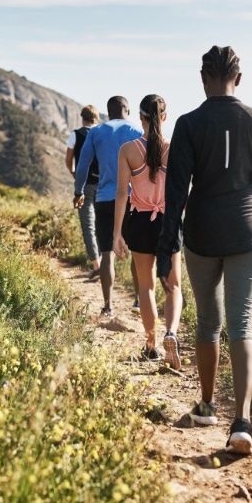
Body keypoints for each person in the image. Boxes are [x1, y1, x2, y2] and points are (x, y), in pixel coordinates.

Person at [155, 46, 252, 455]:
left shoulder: (189, 124)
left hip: (202, 233)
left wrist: (165, 248)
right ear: (238, 79)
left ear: (203, 78)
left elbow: (176, 193)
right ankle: (241, 423)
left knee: (209, 321)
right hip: (247, 230)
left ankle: (207, 407)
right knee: (242, 323)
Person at [113, 95, 183, 367]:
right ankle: (171, 334)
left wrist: (117, 232)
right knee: (173, 287)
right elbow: (182, 191)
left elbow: (121, 193)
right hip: (168, 222)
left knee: (146, 288)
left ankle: (152, 345)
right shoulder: (174, 148)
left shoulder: (128, 150)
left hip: (140, 222)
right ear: (164, 118)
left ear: (140, 118)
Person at [74, 96, 143, 318]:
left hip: (104, 199)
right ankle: (139, 300)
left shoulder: (96, 132)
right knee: (137, 252)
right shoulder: (137, 132)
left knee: (107, 253)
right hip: (133, 199)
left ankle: (108, 306)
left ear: (107, 111)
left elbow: (82, 165)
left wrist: (79, 192)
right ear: (128, 110)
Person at [66, 105, 102, 279]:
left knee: (88, 227)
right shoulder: (103, 133)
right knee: (102, 225)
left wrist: (74, 174)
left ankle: (97, 265)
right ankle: (103, 263)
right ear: (96, 118)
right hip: (103, 185)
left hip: (84, 186)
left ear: (83, 118)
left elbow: (69, 160)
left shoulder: (76, 134)